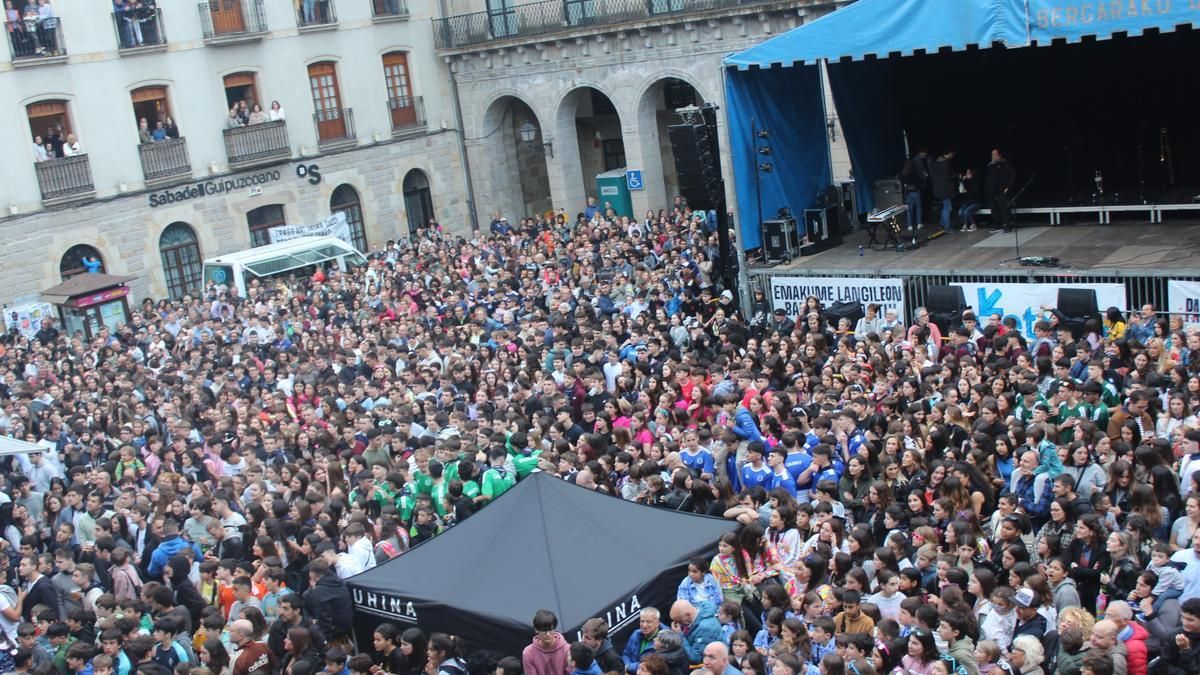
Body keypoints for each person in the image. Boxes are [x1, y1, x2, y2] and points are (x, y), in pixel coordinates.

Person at [522, 610, 569, 675]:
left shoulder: (567, 649)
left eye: (550, 630)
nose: (548, 634)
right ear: (536, 629)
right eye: (544, 630)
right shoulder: (528, 653)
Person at [986, 148, 1016, 234]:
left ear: (999, 155)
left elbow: (1012, 176)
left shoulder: (1005, 164)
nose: (993, 156)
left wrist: (1007, 187)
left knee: (1004, 209)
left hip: (1002, 191)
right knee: (994, 209)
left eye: (995, 154)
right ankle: (998, 224)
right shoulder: (990, 165)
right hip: (992, 192)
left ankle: (1007, 225)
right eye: (992, 155)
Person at [932, 149, 957, 234]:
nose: (952, 156)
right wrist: (956, 175)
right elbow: (948, 176)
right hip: (945, 189)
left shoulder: (936, 162)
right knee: (948, 208)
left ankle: (942, 224)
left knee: (944, 207)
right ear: (949, 153)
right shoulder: (945, 163)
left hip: (939, 189)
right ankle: (947, 227)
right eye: (952, 154)